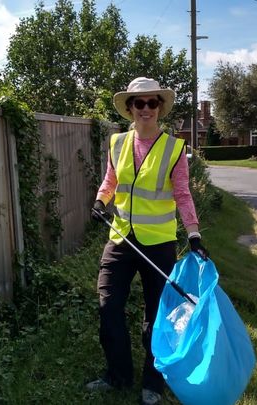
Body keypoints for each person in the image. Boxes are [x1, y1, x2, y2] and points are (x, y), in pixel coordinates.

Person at [87, 77, 208, 405]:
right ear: (129, 108)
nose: (145, 109)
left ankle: (152, 383)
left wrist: (194, 235)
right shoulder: (117, 143)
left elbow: (182, 194)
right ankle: (118, 375)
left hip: (158, 243)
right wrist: (101, 200)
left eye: (151, 102)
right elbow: (110, 180)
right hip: (121, 239)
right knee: (108, 306)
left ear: (160, 107)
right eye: (138, 103)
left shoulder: (174, 148)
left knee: (157, 317)